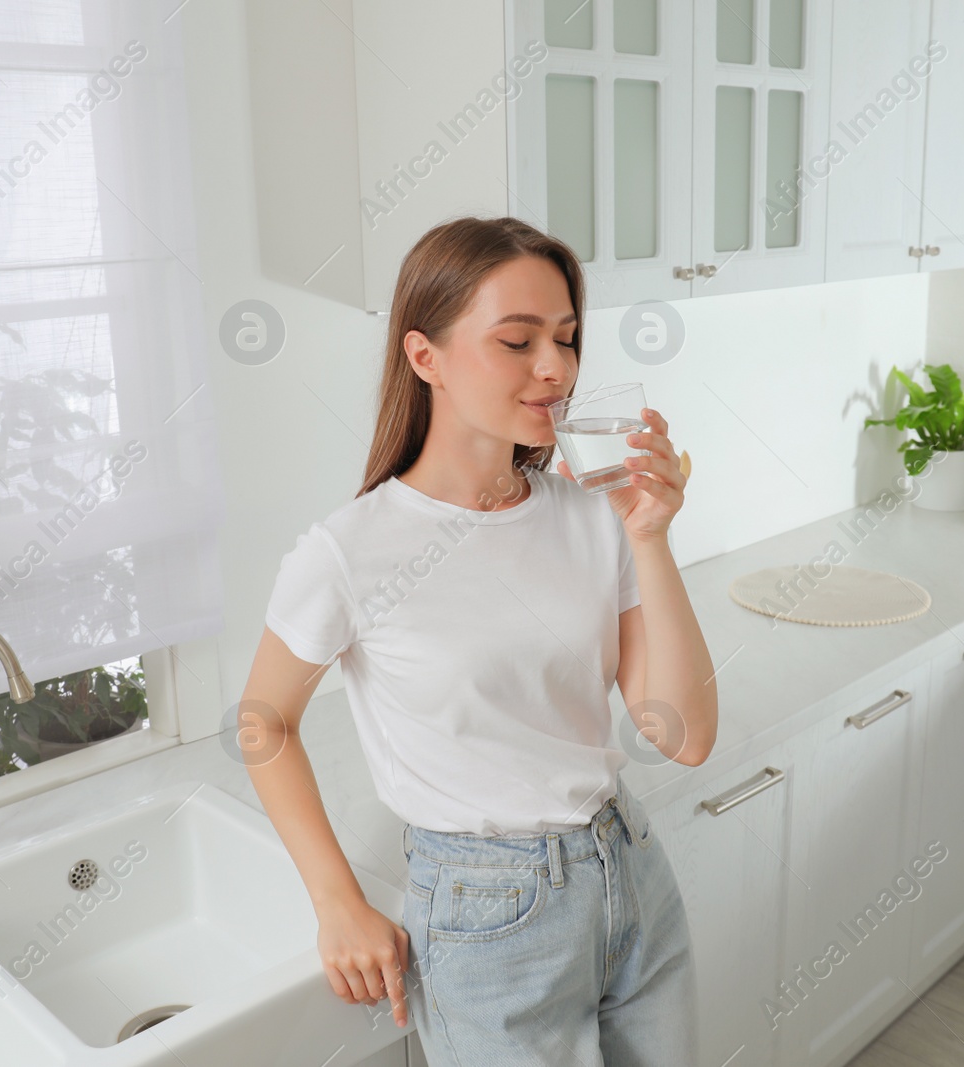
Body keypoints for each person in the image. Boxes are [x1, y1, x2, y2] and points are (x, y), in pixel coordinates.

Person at [239, 215, 717, 1064]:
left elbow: (682, 735)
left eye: (567, 339)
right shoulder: (348, 551)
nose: (556, 369)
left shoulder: (595, 515)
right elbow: (263, 721)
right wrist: (336, 900)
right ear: (425, 357)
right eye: (517, 340)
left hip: (629, 868)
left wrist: (651, 537)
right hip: (488, 914)